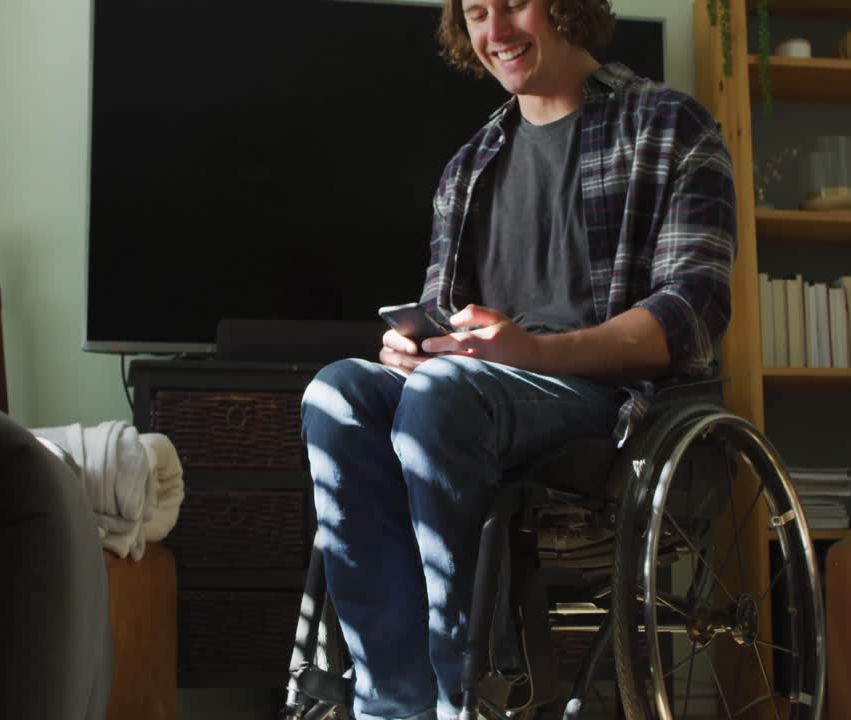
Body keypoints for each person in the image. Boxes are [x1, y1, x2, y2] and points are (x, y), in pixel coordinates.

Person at [300, 0, 737, 718]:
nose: (495, 32)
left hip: (609, 404)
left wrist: (531, 351)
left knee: (445, 396)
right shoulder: (469, 168)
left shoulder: (669, 126)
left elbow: (690, 315)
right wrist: (415, 346)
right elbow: (444, 316)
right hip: (471, 394)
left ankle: (478, 697)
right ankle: (392, 704)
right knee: (338, 392)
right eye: (476, 12)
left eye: (514, 4)